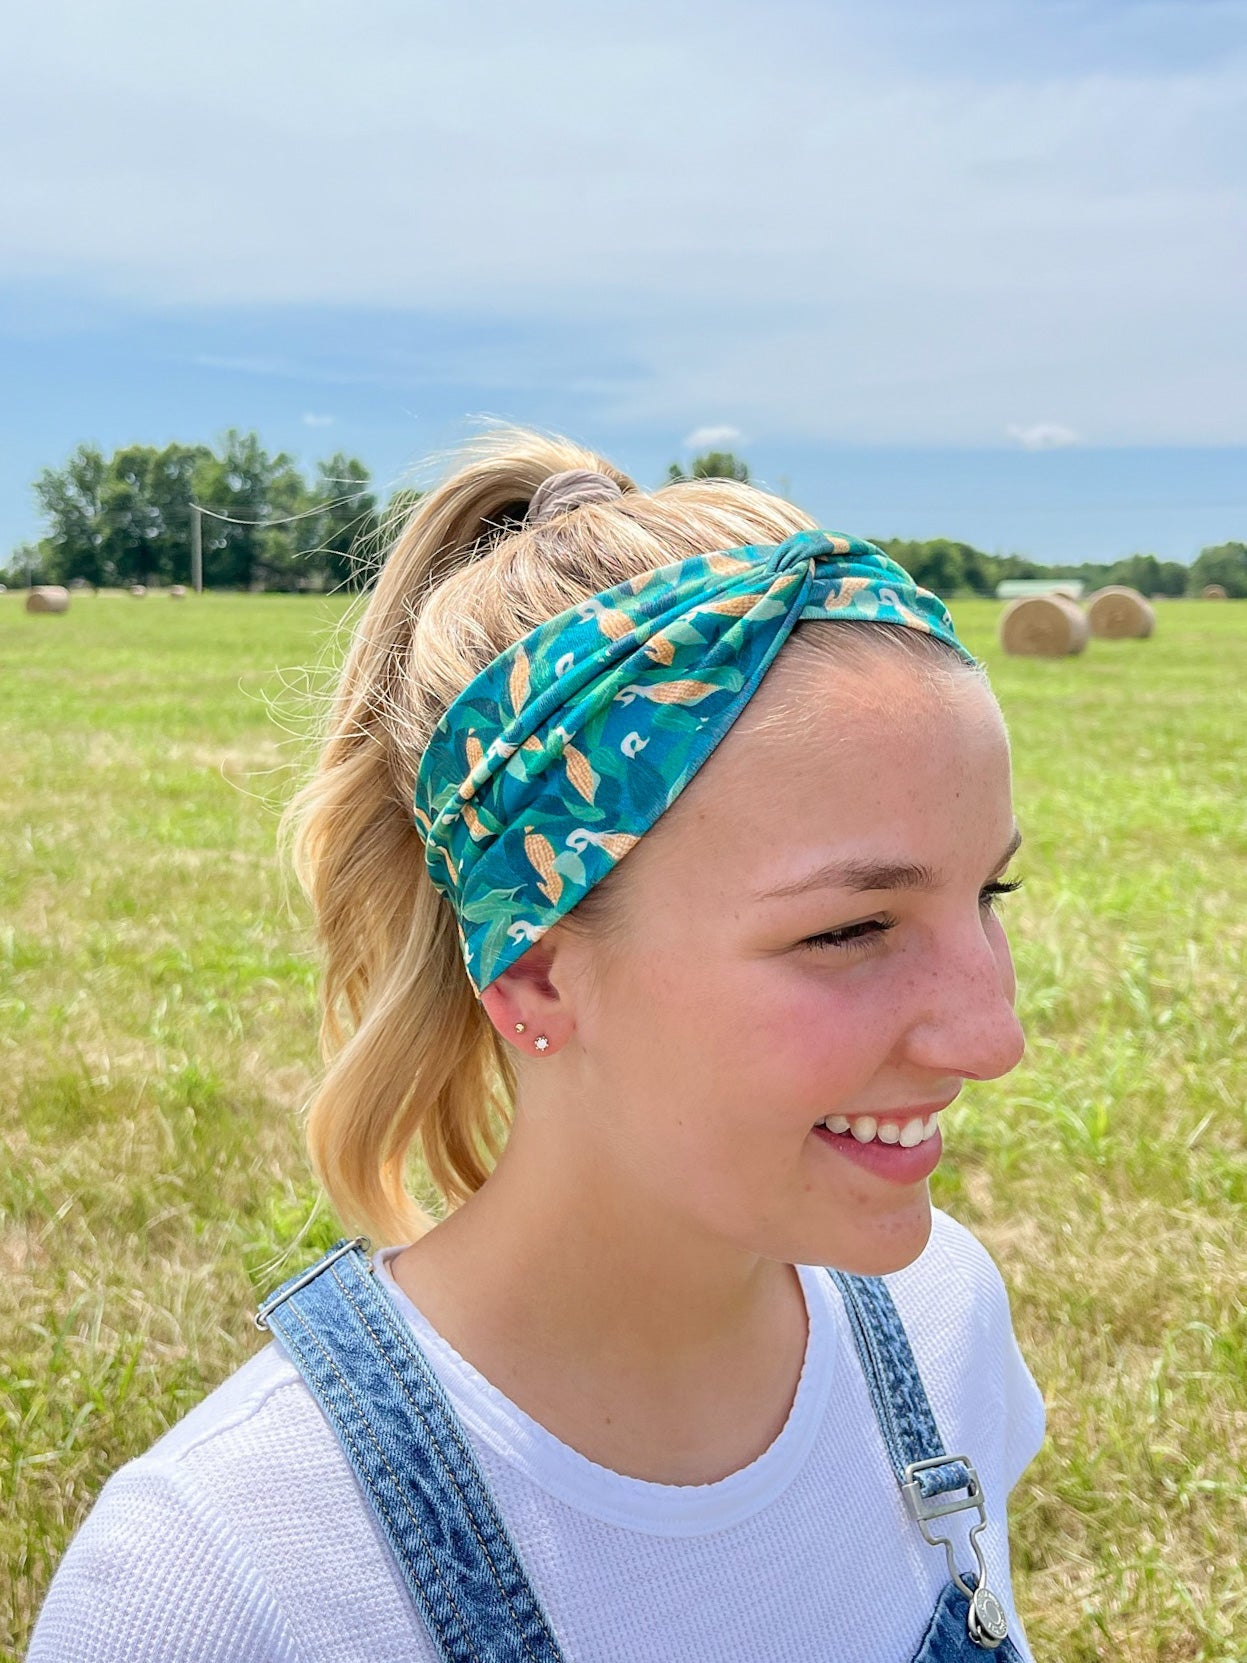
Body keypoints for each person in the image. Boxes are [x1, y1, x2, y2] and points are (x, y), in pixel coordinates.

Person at [28, 433, 1045, 1662]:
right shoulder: (228, 1581)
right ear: (535, 969)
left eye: (988, 894)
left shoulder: (940, 1324)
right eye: (849, 929)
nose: (994, 1036)